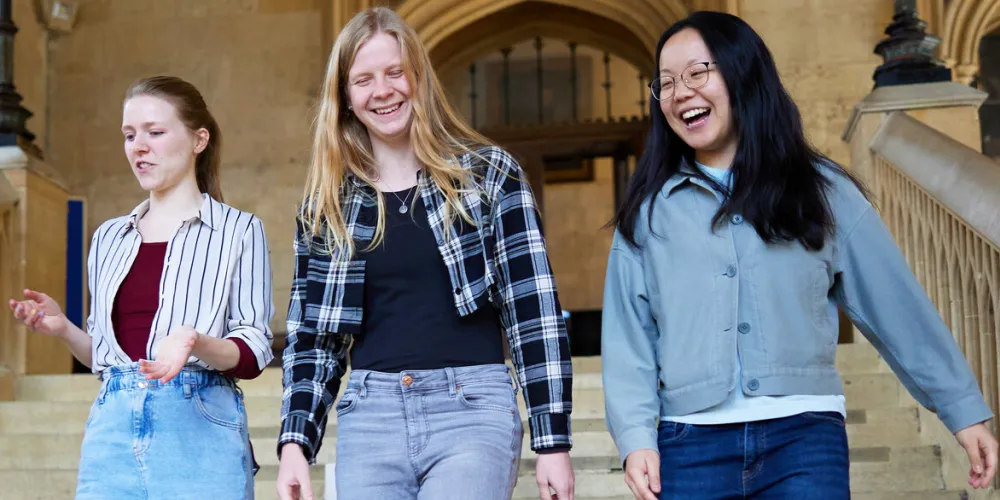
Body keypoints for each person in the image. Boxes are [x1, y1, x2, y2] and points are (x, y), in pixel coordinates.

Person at [601, 11, 998, 500]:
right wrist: (636, 438)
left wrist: (961, 408)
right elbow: (628, 340)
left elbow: (897, 307)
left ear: (743, 74)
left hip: (804, 439)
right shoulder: (648, 214)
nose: (680, 92)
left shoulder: (824, 191)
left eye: (698, 73)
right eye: (665, 83)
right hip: (688, 446)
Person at [274, 7, 574, 500]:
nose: (383, 91)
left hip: (472, 409)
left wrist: (552, 441)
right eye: (364, 80)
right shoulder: (326, 204)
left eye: (396, 72)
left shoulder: (488, 176)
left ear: (419, 78)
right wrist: (295, 445)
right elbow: (312, 338)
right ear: (346, 98)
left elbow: (532, 310)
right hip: (370, 415)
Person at [9, 75, 275, 500]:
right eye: (130, 135)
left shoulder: (239, 230)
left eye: (155, 132)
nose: (138, 146)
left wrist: (196, 342)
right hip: (112, 427)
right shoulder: (109, 237)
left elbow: (254, 350)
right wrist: (62, 329)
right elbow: (104, 356)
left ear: (198, 139)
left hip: (200, 424)